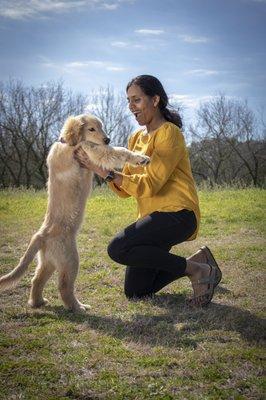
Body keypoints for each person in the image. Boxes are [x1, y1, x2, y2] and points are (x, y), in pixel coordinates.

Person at [74, 75, 222, 307]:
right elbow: (126, 189)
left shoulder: (169, 133)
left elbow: (151, 184)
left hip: (178, 215)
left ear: (155, 100)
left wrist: (102, 171)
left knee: (118, 248)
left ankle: (198, 271)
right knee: (137, 291)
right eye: (129, 101)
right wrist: (100, 166)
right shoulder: (135, 138)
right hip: (152, 219)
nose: (131, 107)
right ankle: (198, 262)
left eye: (137, 100)